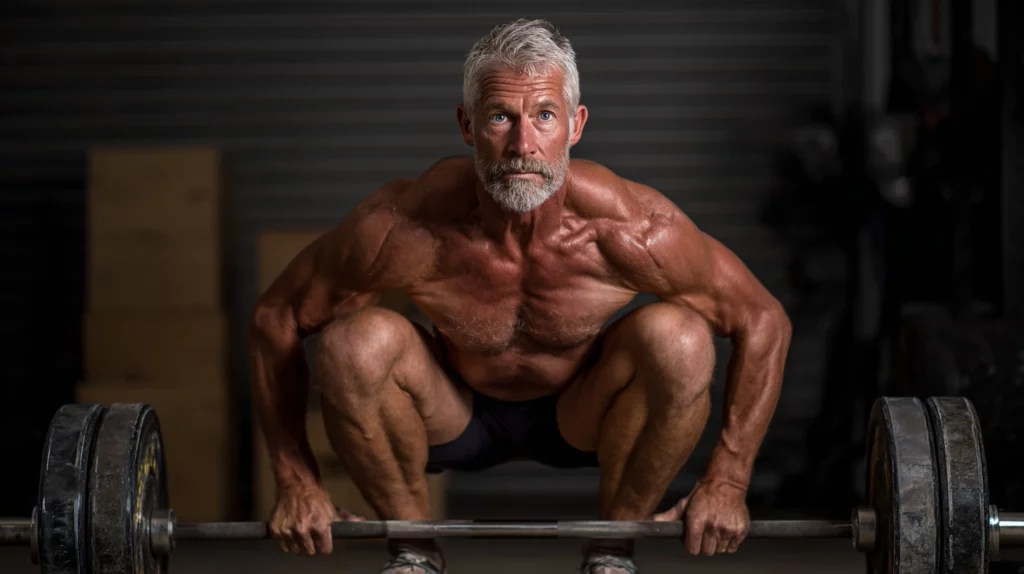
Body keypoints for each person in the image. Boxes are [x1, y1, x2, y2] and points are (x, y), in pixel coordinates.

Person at [248, 18, 792, 574]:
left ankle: (612, 550)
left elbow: (763, 319)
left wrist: (727, 479)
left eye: (544, 116)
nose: (522, 145)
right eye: (501, 117)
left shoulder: (632, 230)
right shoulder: (405, 228)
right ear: (467, 125)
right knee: (351, 343)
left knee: (681, 337)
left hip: (588, 417)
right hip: (447, 416)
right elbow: (276, 317)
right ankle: (414, 549)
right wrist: (297, 480)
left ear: (575, 126)